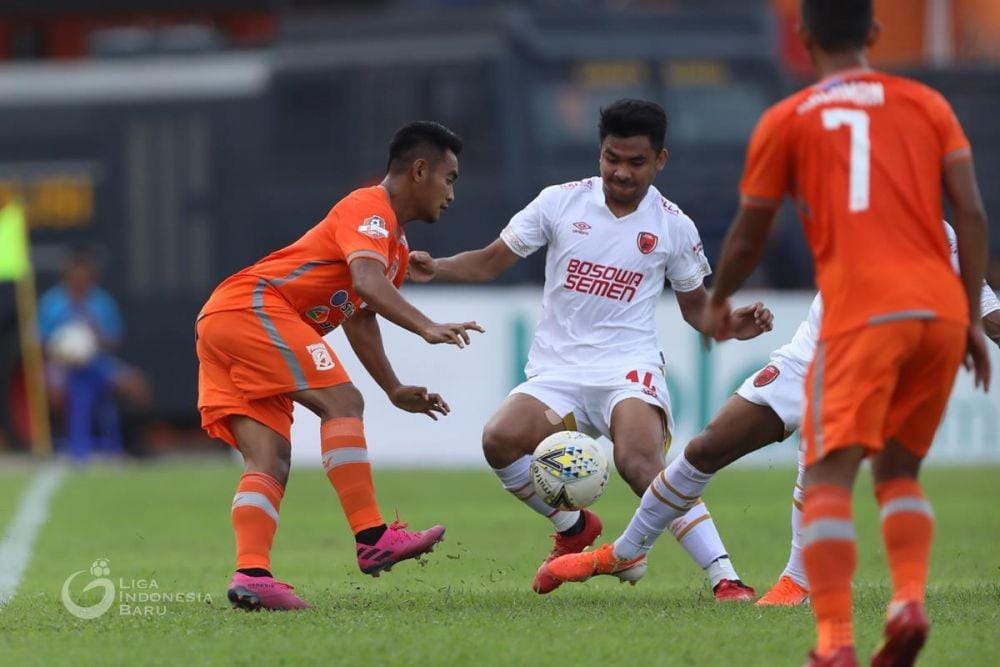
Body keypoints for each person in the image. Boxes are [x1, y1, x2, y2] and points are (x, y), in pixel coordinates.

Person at [546, 3, 991, 665]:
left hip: (856, 324)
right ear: (874, 34)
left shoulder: (793, 119)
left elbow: (753, 227)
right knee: (714, 448)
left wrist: (718, 300)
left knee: (826, 467)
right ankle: (627, 550)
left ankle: (822, 620)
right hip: (861, 329)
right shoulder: (925, 107)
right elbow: (975, 217)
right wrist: (973, 330)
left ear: (802, 36)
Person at [408, 99, 772, 600]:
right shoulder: (560, 202)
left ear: (660, 160)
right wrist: (437, 268)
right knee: (499, 439)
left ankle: (723, 575)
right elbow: (491, 262)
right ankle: (574, 527)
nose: (620, 172)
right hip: (558, 372)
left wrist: (730, 326)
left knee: (640, 464)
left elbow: (696, 310)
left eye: (635, 162)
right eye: (611, 158)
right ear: (599, 152)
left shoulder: (673, 225)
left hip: (629, 369)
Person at [196, 121, 484, 611]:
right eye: (449, 178)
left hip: (225, 318)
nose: (452, 194)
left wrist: (393, 388)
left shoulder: (392, 250)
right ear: (419, 170)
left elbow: (360, 314)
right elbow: (367, 285)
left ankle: (252, 574)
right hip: (254, 307)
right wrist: (426, 326)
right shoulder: (367, 207)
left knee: (269, 458)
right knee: (343, 403)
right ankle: (372, 535)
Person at [742, 222, 1000, 608]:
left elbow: (981, 299)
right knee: (893, 475)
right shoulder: (901, 218)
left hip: (885, 355)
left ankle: (812, 598)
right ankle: (904, 602)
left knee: (836, 462)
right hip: (901, 353)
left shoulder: (929, 228)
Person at [38, 246, 150, 461]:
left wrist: (93, 339)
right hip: (61, 364)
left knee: (136, 385)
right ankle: (61, 441)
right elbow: (40, 340)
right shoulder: (52, 303)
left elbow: (114, 339)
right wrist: (62, 349)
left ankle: (131, 443)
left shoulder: (101, 302)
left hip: (97, 362)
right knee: (53, 390)